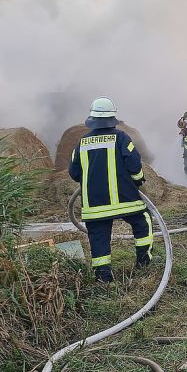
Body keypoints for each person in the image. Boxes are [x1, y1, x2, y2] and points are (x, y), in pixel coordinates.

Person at [68, 97, 153, 283]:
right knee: (142, 221)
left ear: (92, 119)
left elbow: (73, 172)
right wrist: (138, 182)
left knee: (98, 237)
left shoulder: (81, 142)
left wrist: (91, 181)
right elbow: (134, 165)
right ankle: (143, 261)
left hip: (95, 205)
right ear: (113, 118)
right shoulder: (122, 138)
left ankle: (103, 277)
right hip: (126, 200)